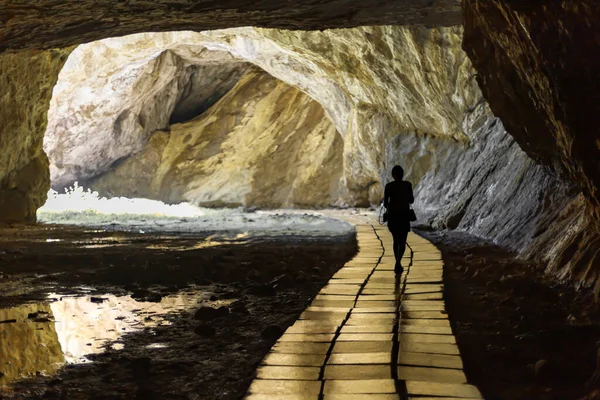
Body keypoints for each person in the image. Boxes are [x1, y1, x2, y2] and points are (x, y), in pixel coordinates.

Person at [383, 165, 414, 275]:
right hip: (404, 215)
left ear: (393, 175)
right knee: (402, 240)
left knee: (395, 240)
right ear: (402, 174)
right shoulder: (407, 185)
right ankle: (398, 262)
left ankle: (397, 262)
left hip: (393, 216)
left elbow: (385, 203)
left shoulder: (389, 186)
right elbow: (411, 200)